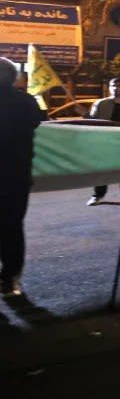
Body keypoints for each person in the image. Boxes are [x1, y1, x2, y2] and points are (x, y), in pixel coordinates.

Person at [0, 58, 43, 298]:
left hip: (12, 174)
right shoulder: (26, 102)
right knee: (12, 228)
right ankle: (10, 279)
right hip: (16, 176)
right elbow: (37, 121)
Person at [86, 77, 120, 206]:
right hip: (104, 142)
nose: (115, 88)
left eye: (119, 85)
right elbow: (92, 121)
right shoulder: (100, 104)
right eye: (112, 85)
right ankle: (98, 195)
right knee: (101, 170)